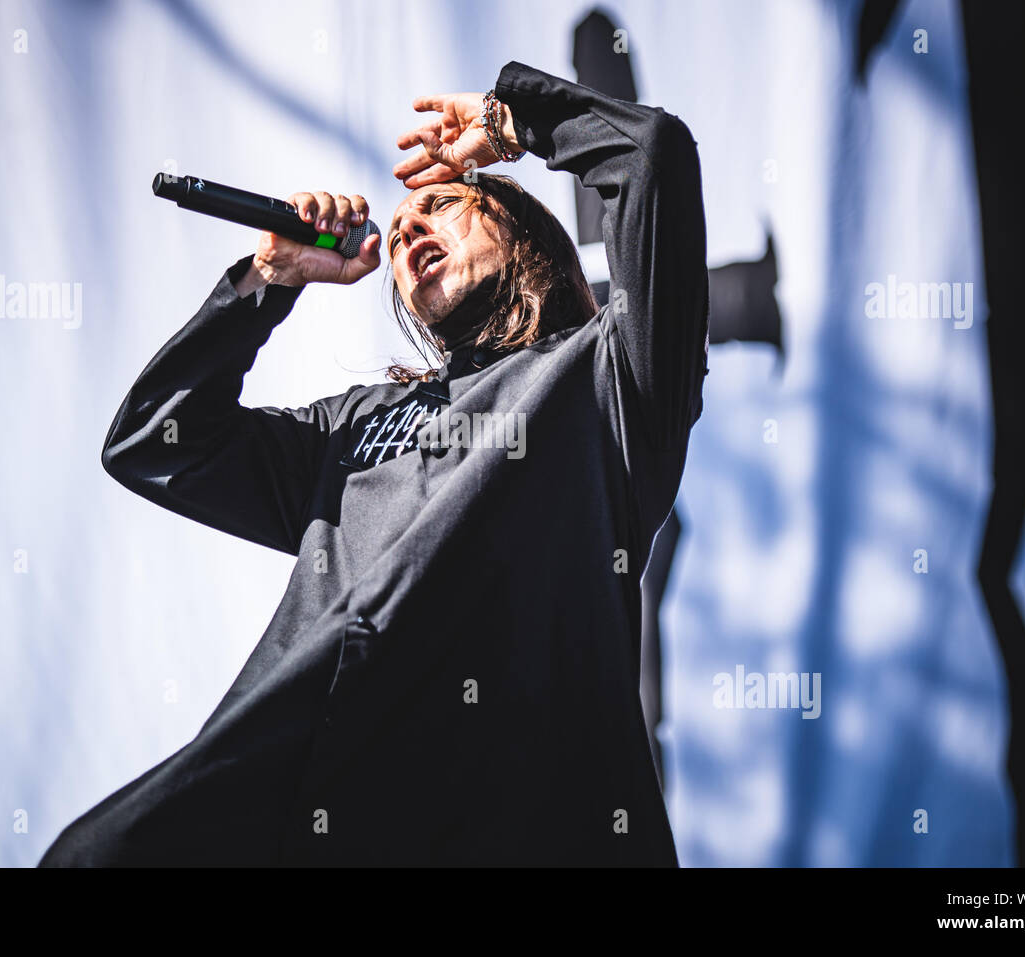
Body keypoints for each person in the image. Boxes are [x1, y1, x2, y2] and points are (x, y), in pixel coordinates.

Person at [40, 59, 708, 867]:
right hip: (307, 809)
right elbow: (156, 440)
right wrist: (267, 281)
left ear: (521, 230)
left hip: (528, 819)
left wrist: (511, 125)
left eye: (441, 206)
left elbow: (652, 155)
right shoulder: (357, 427)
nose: (410, 230)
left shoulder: (611, 382)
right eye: (395, 235)